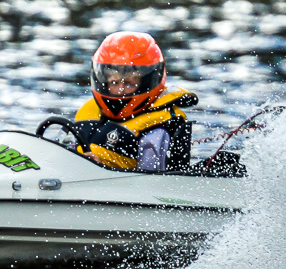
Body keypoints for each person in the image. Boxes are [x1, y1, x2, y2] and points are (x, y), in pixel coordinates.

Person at [71, 31, 195, 172]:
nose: (120, 89)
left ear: (146, 83)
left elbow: (149, 185)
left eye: (129, 83)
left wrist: (100, 168)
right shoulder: (88, 112)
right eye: (114, 82)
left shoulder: (157, 130)